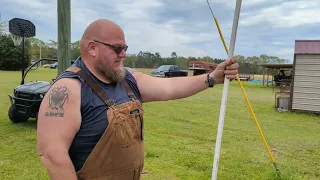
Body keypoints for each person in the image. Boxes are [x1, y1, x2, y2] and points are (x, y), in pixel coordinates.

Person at [36, 19, 239, 180]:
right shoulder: (68, 89)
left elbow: (169, 88)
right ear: (92, 48)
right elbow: (53, 156)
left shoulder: (128, 79)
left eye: (125, 48)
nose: (124, 54)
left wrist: (211, 78)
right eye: (117, 48)